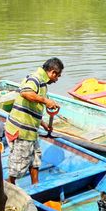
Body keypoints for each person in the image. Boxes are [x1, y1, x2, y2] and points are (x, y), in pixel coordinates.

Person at [4, 57, 63, 185]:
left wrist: (43, 124)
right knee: (18, 165)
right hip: (21, 130)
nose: (57, 79)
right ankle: (10, 186)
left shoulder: (43, 84)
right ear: (52, 72)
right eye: (57, 76)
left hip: (31, 131)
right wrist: (46, 101)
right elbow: (25, 93)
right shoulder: (34, 79)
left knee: (35, 160)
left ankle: (35, 185)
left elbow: (34, 106)